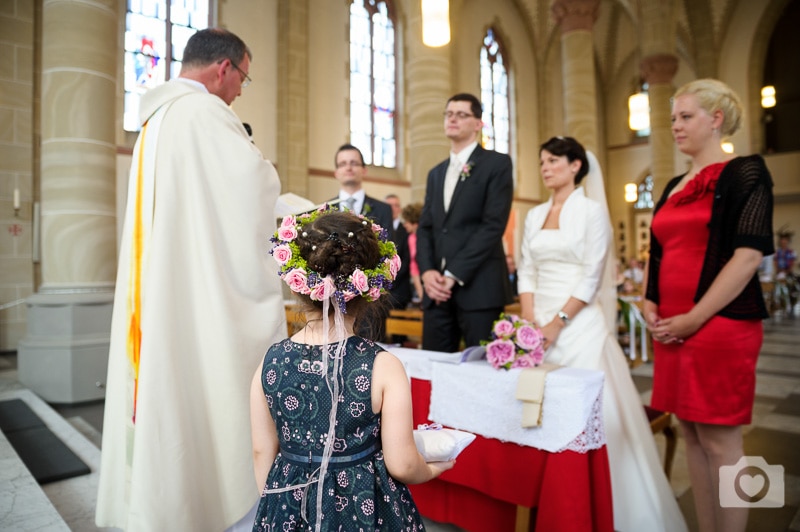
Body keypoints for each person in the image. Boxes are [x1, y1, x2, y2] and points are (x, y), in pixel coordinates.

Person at [96, 28, 287, 531]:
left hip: (165, 290)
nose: (242, 89)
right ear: (224, 68)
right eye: (244, 76)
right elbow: (254, 193)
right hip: (199, 295)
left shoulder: (158, 120)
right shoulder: (203, 114)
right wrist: (272, 176)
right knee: (206, 383)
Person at [517, 136, 687, 532]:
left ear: (575, 166)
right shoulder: (534, 214)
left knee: (594, 415)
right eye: (541, 161)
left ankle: (608, 504)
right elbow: (526, 268)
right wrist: (530, 321)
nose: (545, 167)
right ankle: (557, 502)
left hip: (580, 324)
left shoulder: (592, 213)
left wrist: (556, 323)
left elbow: (593, 274)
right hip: (537, 320)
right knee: (536, 410)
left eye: (553, 160)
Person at [251, 209, 454, 531]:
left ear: (298, 285)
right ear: (372, 287)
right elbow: (401, 464)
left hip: (290, 503)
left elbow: (262, 449)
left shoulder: (271, 360)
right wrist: (430, 470)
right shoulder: (383, 365)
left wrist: (277, 503)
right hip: (364, 507)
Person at [644, 79, 774, 532]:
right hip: (671, 328)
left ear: (716, 119)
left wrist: (694, 318)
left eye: (685, 116)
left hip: (720, 324)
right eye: (673, 118)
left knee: (723, 440)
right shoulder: (675, 184)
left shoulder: (746, 173)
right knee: (694, 436)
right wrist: (648, 302)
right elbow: (657, 251)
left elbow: (749, 254)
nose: (675, 126)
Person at [416, 93, 514, 351]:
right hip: (436, 292)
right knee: (433, 370)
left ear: (478, 123)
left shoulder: (497, 164)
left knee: (481, 372)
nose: (453, 119)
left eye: (462, 114)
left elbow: (492, 225)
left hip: (479, 287)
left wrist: (453, 273)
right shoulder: (435, 173)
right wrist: (427, 272)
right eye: (449, 114)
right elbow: (426, 227)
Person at [385, 193, 412, 311]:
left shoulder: (406, 231)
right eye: (389, 205)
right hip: (380, 290)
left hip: (399, 289)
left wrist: (391, 278)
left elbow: (407, 259)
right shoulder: (378, 229)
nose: (392, 209)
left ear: (399, 209)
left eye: (396, 205)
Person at [402, 202, 424, 304]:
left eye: (407, 221)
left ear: (415, 223)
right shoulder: (411, 238)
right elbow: (413, 267)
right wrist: (421, 293)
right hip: (420, 283)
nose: (404, 224)